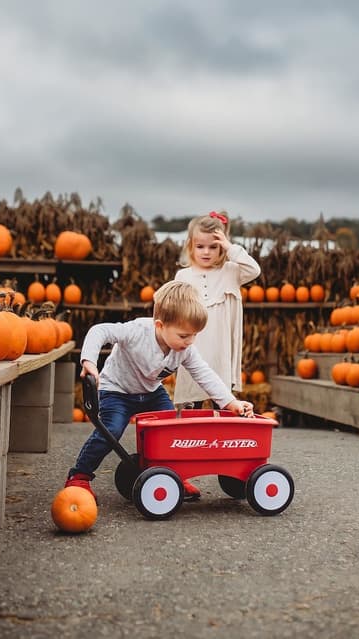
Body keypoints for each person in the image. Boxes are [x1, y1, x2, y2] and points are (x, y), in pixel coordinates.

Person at [64, 280, 255, 502]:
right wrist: (89, 362)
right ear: (160, 325)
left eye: (194, 335)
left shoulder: (185, 350)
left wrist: (230, 403)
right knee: (112, 429)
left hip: (152, 392)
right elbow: (100, 331)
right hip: (117, 391)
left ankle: (172, 475)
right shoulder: (136, 332)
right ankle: (79, 476)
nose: (189, 342)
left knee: (174, 433)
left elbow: (205, 374)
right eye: (184, 336)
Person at [172, 211, 261, 409]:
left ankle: (220, 436)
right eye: (200, 246)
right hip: (193, 347)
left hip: (220, 349)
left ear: (222, 248)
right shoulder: (183, 276)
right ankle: (192, 437)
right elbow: (173, 309)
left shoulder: (230, 271)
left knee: (221, 399)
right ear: (190, 247)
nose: (206, 252)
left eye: (213, 247)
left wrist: (230, 247)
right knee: (191, 399)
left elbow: (254, 270)